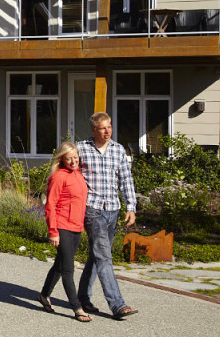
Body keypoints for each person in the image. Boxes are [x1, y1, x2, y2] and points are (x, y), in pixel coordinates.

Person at [76, 112, 139, 319]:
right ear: (94, 130)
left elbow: (126, 180)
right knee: (104, 256)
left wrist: (131, 206)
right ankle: (117, 304)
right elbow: (68, 173)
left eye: (109, 126)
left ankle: (82, 297)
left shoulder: (118, 150)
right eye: (103, 128)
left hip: (113, 209)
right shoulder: (81, 148)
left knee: (96, 255)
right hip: (92, 210)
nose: (108, 131)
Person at [38, 142, 91, 322]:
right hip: (62, 226)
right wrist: (53, 231)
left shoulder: (78, 175)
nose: (73, 161)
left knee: (60, 266)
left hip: (76, 226)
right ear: (62, 159)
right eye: (69, 158)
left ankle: (44, 295)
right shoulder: (59, 177)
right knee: (68, 269)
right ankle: (77, 308)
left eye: (75, 157)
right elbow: (50, 205)